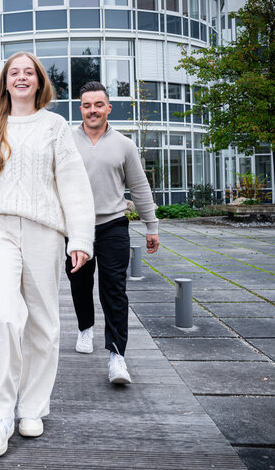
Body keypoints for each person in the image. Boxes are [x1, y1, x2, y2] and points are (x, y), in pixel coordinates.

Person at [0, 52, 95, 457]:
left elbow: (73, 184)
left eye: (28, 73)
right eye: (14, 73)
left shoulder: (55, 126)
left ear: (39, 81)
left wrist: (80, 238)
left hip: (44, 231)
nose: (21, 78)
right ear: (5, 82)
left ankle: (33, 408)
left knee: (43, 323)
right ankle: (1, 416)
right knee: (2, 316)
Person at [67, 81, 160, 385]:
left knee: (114, 289)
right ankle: (85, 328)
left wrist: (151, 226)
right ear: (80, 108)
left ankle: (117, 356)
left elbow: (140, 186)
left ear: (108, 107)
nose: (92, 110)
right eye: (86, 105)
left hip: (113, 224)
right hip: (76, 227)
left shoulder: (124, 145)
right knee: (80, 284)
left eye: (98, 105)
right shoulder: (66, 141)